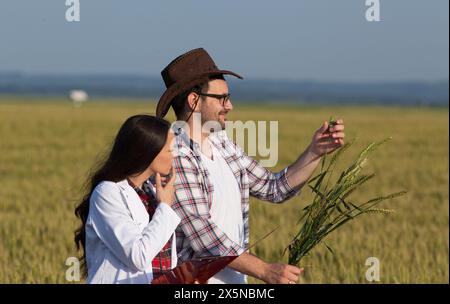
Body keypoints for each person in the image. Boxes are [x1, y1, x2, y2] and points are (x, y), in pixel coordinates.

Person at [156, 48, 346, 284]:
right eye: (222, 98)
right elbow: (205, 236)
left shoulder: (223, 145)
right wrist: (265, 270)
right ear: (194, 101)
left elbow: (273, 188)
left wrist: (316, 151)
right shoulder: (175, 155)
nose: (230, 106)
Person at [74, 114, 180, 284]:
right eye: (170, 149)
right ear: (148, 151)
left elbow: (164, 260)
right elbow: (138, 256)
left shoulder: (151, 193)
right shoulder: (107, 193)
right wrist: (165, 207)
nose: (174, 155)